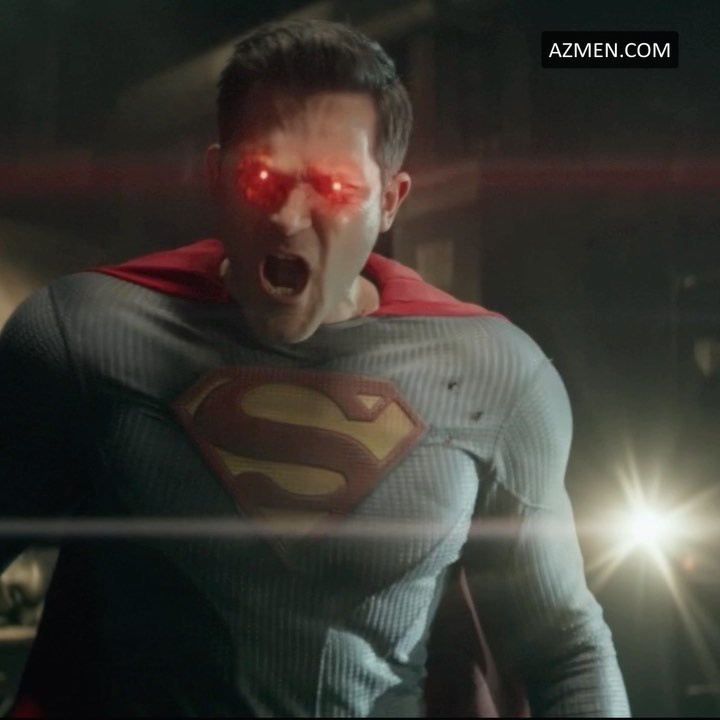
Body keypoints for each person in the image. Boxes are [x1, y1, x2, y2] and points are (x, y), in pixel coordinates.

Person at [0, 18, 629, 718]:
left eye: (333, 186)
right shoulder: (86, 335)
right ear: (216, 178)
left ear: (389, 202)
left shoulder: (495, 377)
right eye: (260, 176)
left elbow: (567, 650)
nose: (288, 217)